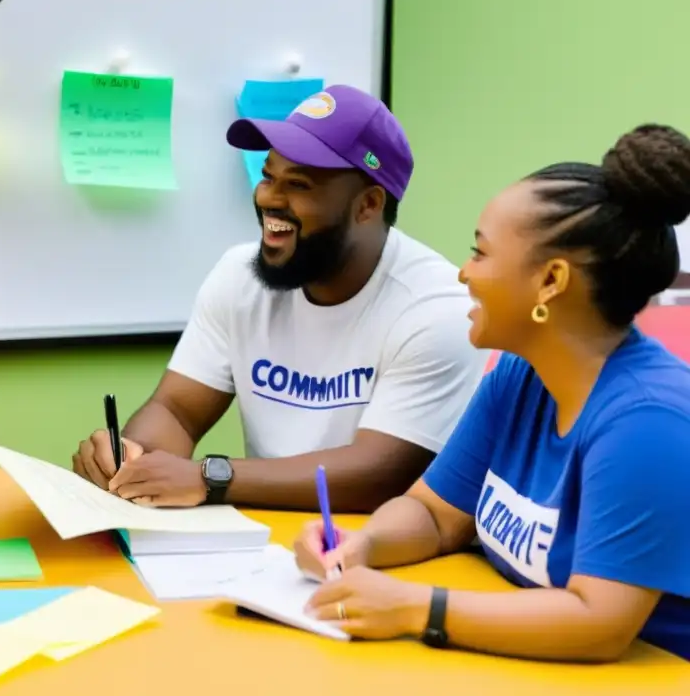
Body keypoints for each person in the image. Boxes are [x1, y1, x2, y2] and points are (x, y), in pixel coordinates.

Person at [293, 124, 690, 663]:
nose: (463, 273)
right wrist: (362, 547)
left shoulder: (649, 421)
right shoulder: (520, 375)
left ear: (550, 281)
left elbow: (600, 623)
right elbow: (435, 515)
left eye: (480, 253)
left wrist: (415, 608)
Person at [73, 85, 487, 511]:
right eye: (268, 176)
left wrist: (211, 477)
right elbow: (177, 410)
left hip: (380, 552)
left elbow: (380, 473)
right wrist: (132, 461)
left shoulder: (436, 308)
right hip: (262, 547)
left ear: (367, 205)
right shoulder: (239, 278)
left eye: (299, 185)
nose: (269, 198)